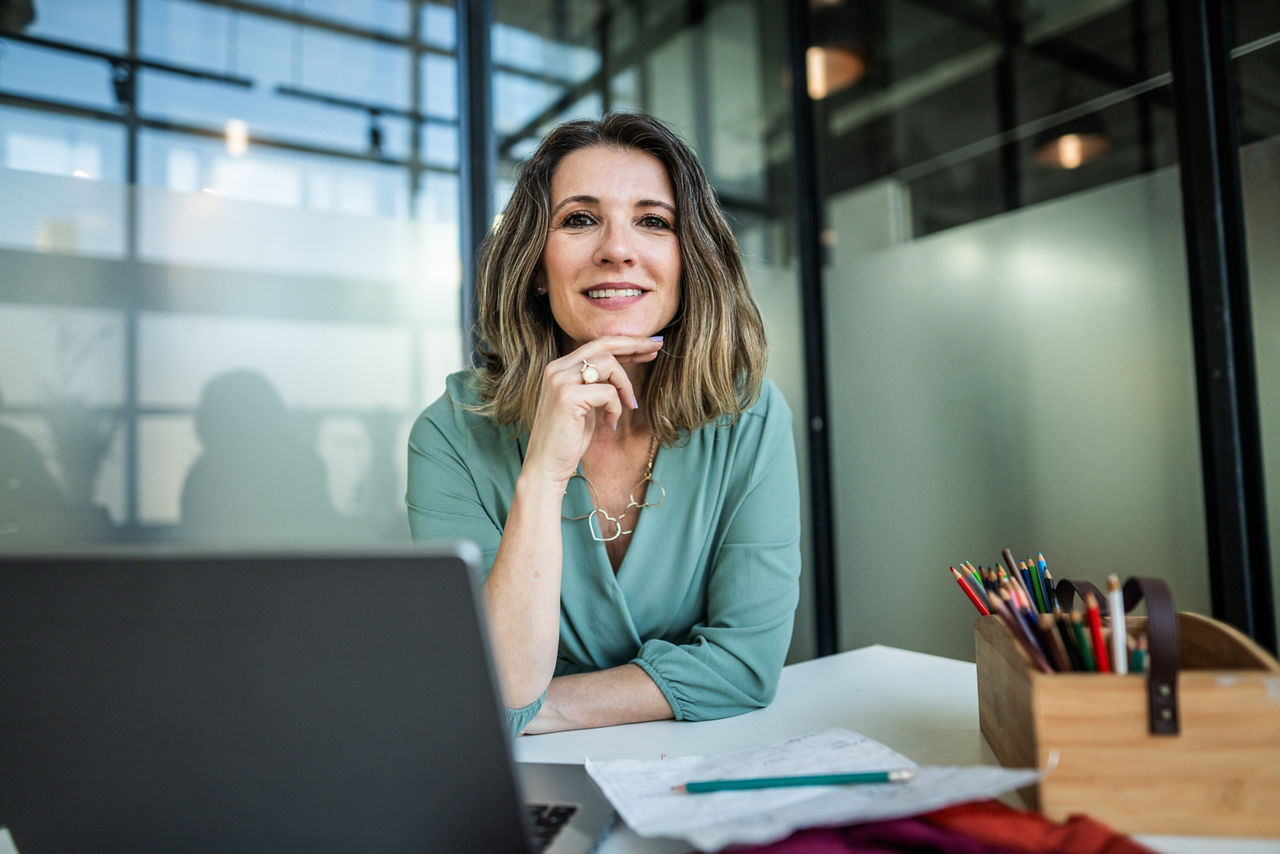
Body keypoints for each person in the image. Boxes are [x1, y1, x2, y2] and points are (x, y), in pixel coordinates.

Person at [406, 112, 800, 739]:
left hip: (696, 766)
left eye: (653, 221)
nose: (617, 248)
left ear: (688, 259)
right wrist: (544, 472)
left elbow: (746, 667)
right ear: (537, 265)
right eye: (580, 219)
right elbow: (500, 687)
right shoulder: (450, 436)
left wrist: (543, 710)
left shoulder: (748, 417)